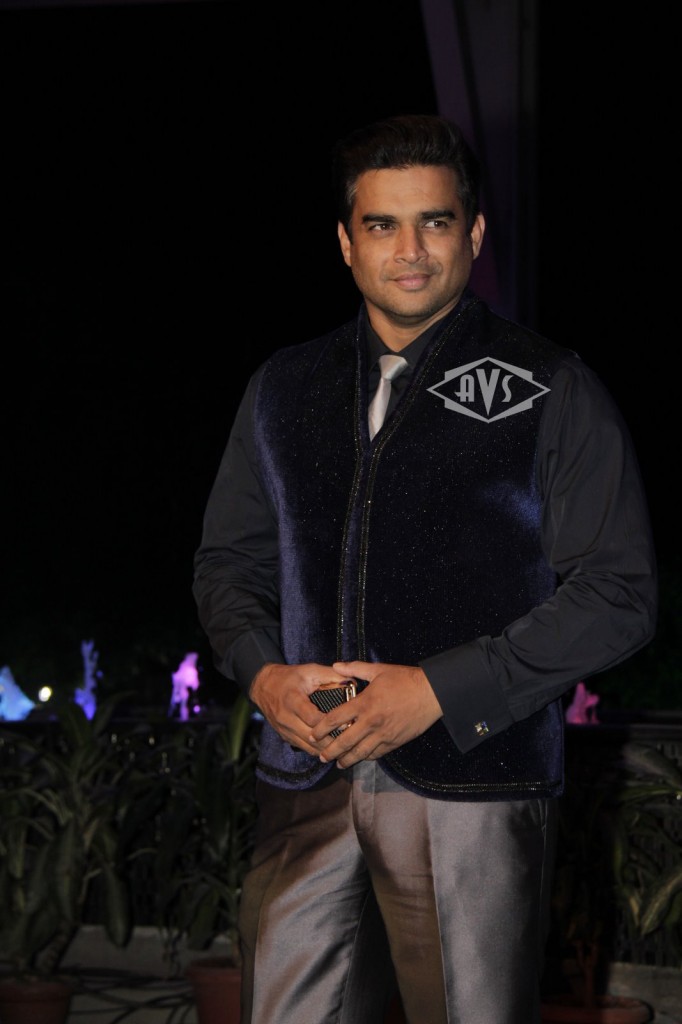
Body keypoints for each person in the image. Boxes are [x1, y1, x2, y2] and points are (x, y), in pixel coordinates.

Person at [192, 113, 657, 1024]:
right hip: (306, 781)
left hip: (474, 788)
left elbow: (620, 596)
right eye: (382, 225)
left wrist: (441, 691)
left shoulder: (550, 386)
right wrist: (265, 675)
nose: (409, 251)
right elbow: (226, 564)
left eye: (434, 222)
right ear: (345, 242)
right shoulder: (282, 387)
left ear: (473, 234)